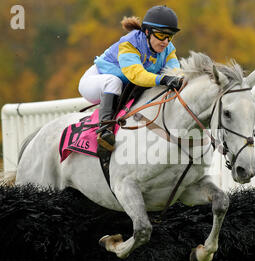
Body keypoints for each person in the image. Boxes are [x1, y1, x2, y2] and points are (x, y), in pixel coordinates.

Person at [78, 5, 184, 157]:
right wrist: (163, 79)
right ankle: (104, 131)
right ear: (147, 32)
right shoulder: (129, 44)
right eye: (161, 35)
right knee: (113, 82)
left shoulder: (168, 49)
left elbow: (175, 72)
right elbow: (137, 76)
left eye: (170, 36)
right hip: (94, 81)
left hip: (122, 86)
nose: (166, 42)